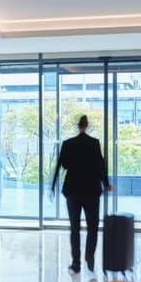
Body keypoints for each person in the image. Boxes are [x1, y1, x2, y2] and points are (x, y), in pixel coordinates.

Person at [51, 115, 111, 273]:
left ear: (79, 126)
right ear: (87, 125)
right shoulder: (94, 143)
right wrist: (106, 183)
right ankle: (89, 255)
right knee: (93, 226)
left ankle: (76, 262)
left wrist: (53, 185)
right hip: (91, 190)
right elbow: (100, 166)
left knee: (75, 227)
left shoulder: (68, 144)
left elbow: (61, 165)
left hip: (72, 190)